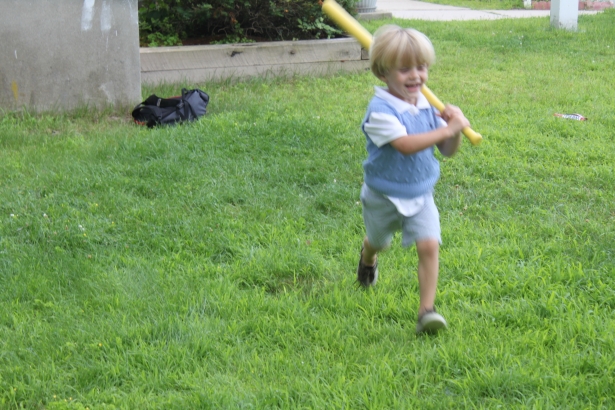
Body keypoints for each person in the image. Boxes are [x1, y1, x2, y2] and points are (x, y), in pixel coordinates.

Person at [356, 25, 470, 334]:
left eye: (421, 67)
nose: (416, 76)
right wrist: (447, 129)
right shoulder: (380, 111)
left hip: (421, 193)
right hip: (382, 195)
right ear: (383, 73)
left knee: (429, 245)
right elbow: (405, 145)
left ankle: (426, 312)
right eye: (405, 69)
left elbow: (447, 151)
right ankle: (368, 256)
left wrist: (454, 131)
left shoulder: (427, 105)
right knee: (380, 241)